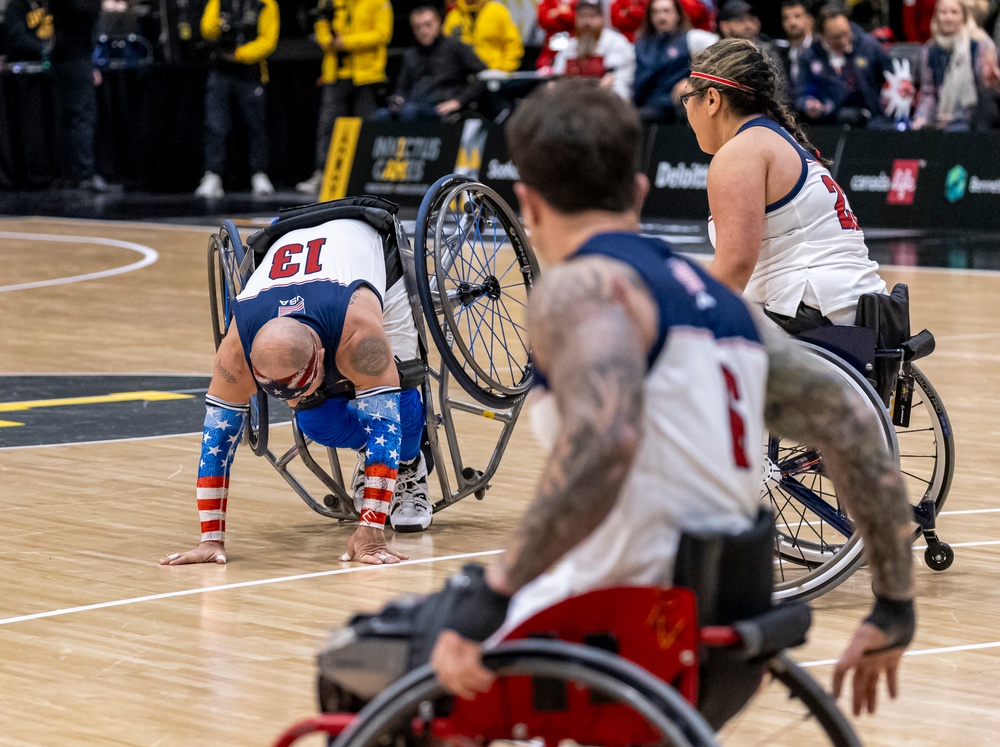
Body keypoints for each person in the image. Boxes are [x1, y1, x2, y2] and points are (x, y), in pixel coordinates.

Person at [315, 80, 914, 724]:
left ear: (528, 203)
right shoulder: (721, 304)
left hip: (619, 634)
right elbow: (853, 424)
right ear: (638, 192)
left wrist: (494, 593)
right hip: (734, 636)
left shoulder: (585, 289)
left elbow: (605, 445)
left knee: (357, 663)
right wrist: (893, 606)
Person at [160, 208, 434, 568]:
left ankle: (410, 464)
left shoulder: (360, 333)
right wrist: (211, 538)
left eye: (300, 389)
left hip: (370, 256)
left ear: (322, 357)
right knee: (315, 420)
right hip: (291, 245)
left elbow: (386, 424)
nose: (293, 401)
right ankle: (374, 465)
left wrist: (371, 531)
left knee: (403, 404)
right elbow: (216, 443)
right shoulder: (236, 350)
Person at [687, 37, 887, 330]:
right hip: (853, 307)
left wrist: (683, 317)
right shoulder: (775, 139)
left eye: (688, 98)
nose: (687, 109)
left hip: (815, 309)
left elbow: (734, 267)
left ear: (713, 100)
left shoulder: (741, 151)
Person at [295, 0, 394, 195]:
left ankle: (365, 175)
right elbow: (321, 25)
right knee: (328, 126)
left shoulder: (379, 2)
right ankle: (322, 174)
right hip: (336, 72)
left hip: (366, 74)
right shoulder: (330, 1)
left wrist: (346, 42)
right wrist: (329, 41)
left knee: (365, 125)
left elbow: (383, 34)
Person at [194, 0, 279, 199]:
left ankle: (259, 173)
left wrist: (240, 54)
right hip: (221, 69)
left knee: (255, 124)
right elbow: (206, 29)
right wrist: (220, 26)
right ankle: (213, 174)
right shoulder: (219, 1)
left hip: (251, 72)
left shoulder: (266, 4)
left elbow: (268, 41)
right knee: (215, 124)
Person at [375, 5, 485, 121]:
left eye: (428, 25)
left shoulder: (456, 47)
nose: (423, 31)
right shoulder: (410, 54)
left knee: (409, 113)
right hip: (413, 104)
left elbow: (482, 74)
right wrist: (398, 98)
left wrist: (459, 101)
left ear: (439, 22)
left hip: (441, 106)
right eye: (417, 27)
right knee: (379, 116)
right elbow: (402, 86)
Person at [47, 0, 111, 192]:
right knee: (82, 115)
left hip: (73, 55)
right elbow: (87, 11)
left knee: (71, 116)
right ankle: (83, 172)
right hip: (73, 56)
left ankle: (71, 172)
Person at [795, 4, 893, 126]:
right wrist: (808, 103)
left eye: (846, 33)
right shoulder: (810, 55)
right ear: (822, 35)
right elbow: (801, 93)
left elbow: (892, 75)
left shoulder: (869, 46)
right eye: (836, 37)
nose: (843, 41)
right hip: (829, 122)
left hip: (872, 119)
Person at [913, 0, 1000, 130]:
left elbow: (986, 90)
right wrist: (922, 117)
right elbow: (928, 93)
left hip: (974, 118)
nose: (948, 18)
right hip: (939, 117)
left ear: (963, 16)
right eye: (943, 12)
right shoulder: (929, 49)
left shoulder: (980, 46)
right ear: (936, 16)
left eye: (954, 13)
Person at [632, 0, 718, 122]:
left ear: (677, 14)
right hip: (646, 103)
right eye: (655, 12)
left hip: (675, 104)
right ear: (650, 17)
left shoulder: (692, 38)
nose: (661, 16)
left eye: (666, 11)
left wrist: (694, 82)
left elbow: (718, 58)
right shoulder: (640, 45)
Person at [551, 0, 635, 100]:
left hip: (607, 105)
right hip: (571, 105)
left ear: (602, 18)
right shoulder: (569, 47)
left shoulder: (616, 42)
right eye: (582, 16)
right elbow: (557, 78)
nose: (587, 22)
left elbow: (620, 85)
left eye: (592, 16)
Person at [443, 0, 523, 72]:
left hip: (494, 72)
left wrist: (505, 68)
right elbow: (445, 49)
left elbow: (513, 43)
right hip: (463, 75)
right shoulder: (453, 17)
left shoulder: (497, 12)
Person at [775, 0, 815, 90]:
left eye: (797, 16)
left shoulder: (820, 48)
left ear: (809, 19)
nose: (792, 22)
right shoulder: (782, 54)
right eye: (786, 18)